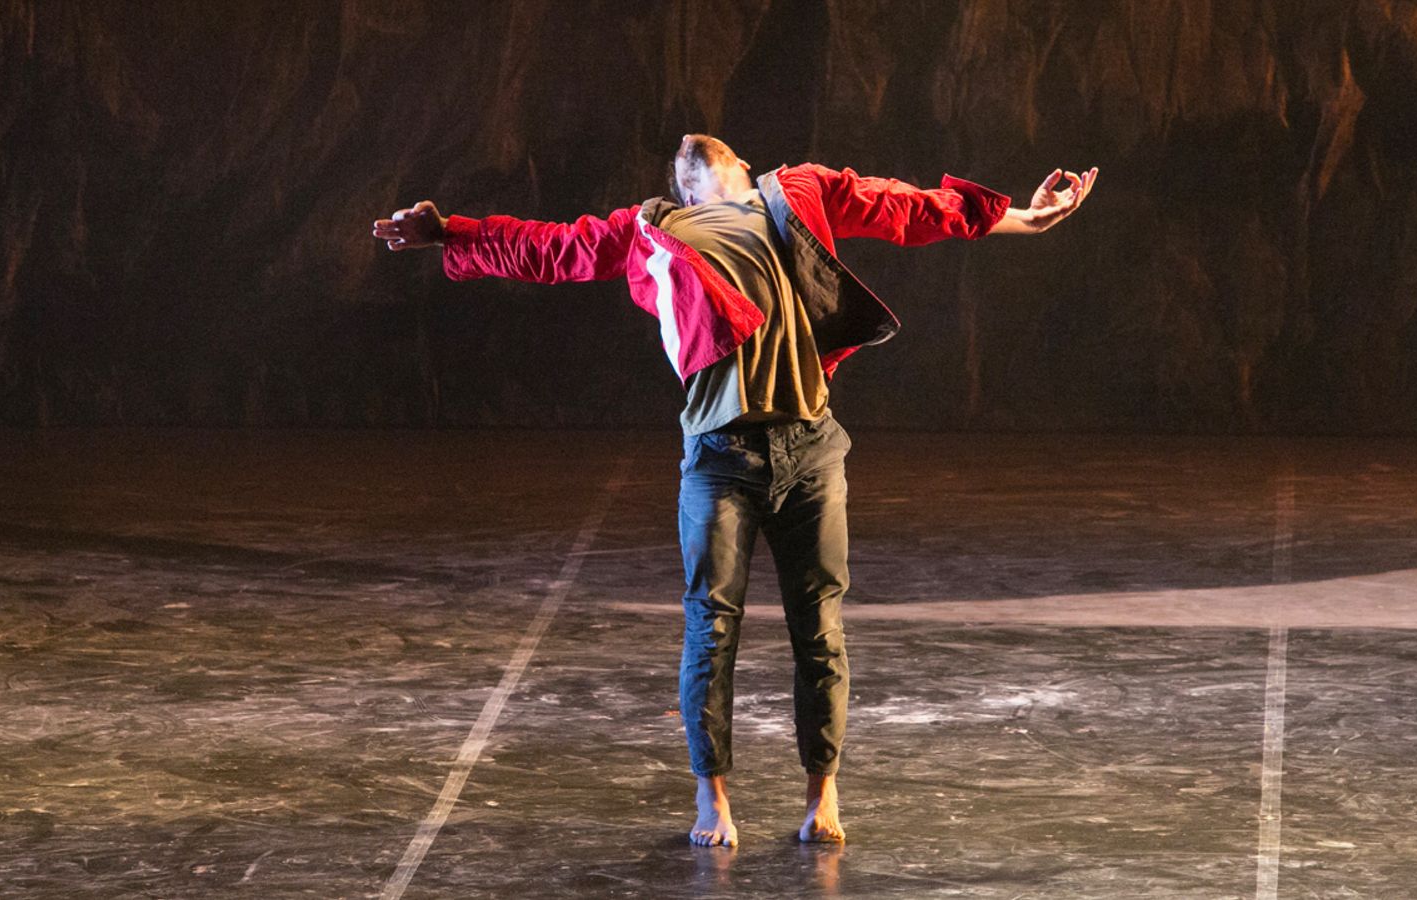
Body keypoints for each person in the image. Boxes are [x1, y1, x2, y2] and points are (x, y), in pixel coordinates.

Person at [372, 135, 1097, 847]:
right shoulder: (652, 228)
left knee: (819, 631)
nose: (690, 145)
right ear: (683, 190)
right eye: (678, 161)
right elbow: (553, 249)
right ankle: (712, 797)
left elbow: (904, 208)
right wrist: (450, 232)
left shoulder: (798, 192)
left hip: (811, 450)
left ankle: (822, 794)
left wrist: (1023, 220)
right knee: (710, 631)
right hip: (719, 459)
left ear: (743, 165)